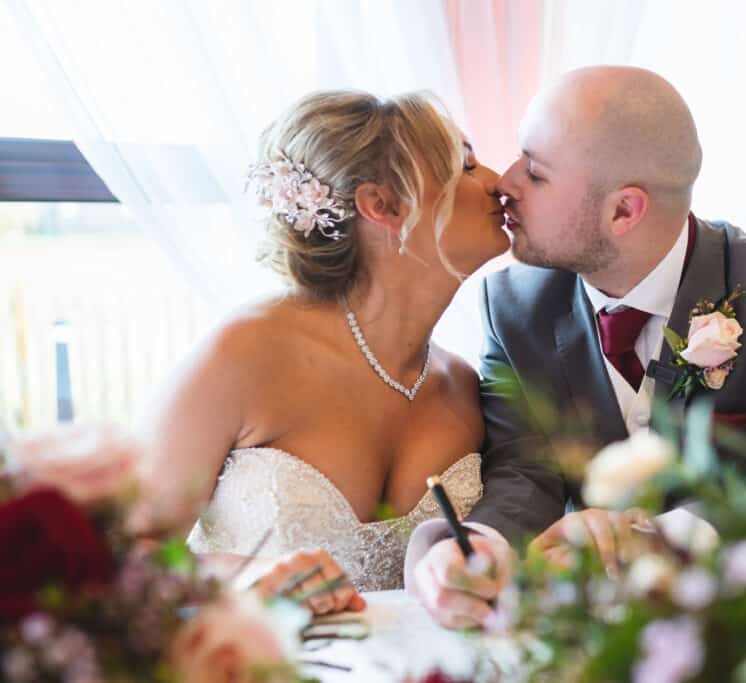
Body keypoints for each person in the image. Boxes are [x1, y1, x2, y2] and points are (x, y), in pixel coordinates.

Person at [409, 65, 746, 629]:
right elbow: (525, 470)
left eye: (536, 174)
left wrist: (669, 535)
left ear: (624, 210)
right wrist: (478, 544)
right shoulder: (511, 304)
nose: (505, 183)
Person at [135, 89, 510, 613]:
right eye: (466, 166)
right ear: (382, 205)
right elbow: (122, 556)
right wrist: (246, 578)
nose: (499, 181)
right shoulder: (245, 354)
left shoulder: (464, 385)